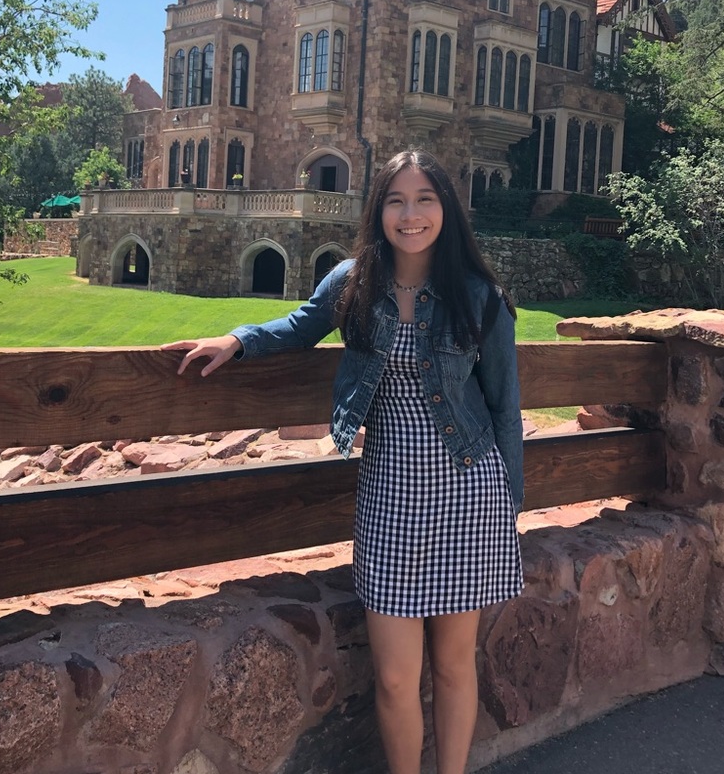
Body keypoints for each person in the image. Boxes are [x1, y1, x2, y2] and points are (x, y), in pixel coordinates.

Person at [162, 149, 524, 774]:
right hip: (390, 495)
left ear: (446, 210)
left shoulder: (478, 297)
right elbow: (301, 325)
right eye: (396, 201)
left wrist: (509, 509)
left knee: (453, 664)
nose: (410, 215)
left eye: (425, 200)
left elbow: (505, 409)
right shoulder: (356, 282)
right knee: (392, 676)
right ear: (378, 209)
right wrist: (237, 339)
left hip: (471, 496)